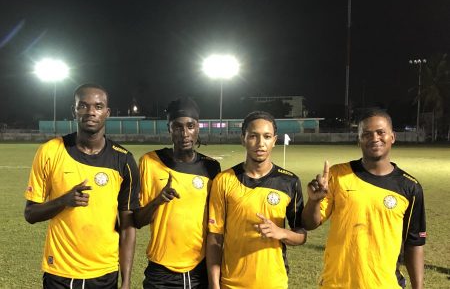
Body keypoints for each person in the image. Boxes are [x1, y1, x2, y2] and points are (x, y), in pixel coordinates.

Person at [24, 84, 140, 289]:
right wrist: (63, 201)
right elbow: (30, 214)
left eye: (98, 106)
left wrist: (127, 281)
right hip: (59, 272)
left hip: (104, 273)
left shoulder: (123, 160)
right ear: (74, 110)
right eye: (83, 106)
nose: (91, 112)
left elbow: (128, 227)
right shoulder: (50, 151)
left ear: (107, 112)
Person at [302, 109, 426, 289]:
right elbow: (309, 223)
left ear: (392, 136)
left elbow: (414, 244)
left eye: (381, 132)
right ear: (359, 139)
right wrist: (313, 201)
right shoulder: (337, 175)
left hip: (385, 285)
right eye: (366, 134)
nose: (374, 138)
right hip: (336, 284)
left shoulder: (410, 187)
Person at [207, 111, 307, 289]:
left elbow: (301, 235)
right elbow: (215, 238)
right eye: (253, 136)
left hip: (273, 283)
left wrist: (281, 232)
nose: (260, 143)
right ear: (243, 139)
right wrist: (214, 285)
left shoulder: (290, 182)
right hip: (231, 284)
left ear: (274, 140)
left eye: (267, 136)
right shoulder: (223, 180)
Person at [134, 97, 221, 289]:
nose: (184, 133)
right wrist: (157, 201)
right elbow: (137, 220)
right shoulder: (150, 162)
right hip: (161, 271)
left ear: (198, 128)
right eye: (177, 127)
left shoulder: (211, 167)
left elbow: (216, 223)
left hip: (200, 268)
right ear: (169, 128)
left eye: (190, 126)